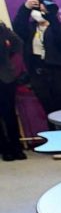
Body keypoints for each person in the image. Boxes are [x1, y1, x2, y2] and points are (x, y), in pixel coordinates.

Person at [13, 0, 61, 119]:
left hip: (58, 74)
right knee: (49, 112)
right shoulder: (30, 29)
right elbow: (18, 26)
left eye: (41, 10)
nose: (38, 13)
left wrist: (50, 15)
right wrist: (26, 8)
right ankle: (54, 136)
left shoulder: (58, 27)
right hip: (38, 75)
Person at [0, 20, 25, 161]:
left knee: (10, 114)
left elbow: (18, 43)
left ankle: (17, 147)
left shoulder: (2, 29)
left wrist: (8, 56)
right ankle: (5, 149)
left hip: (6, 77)